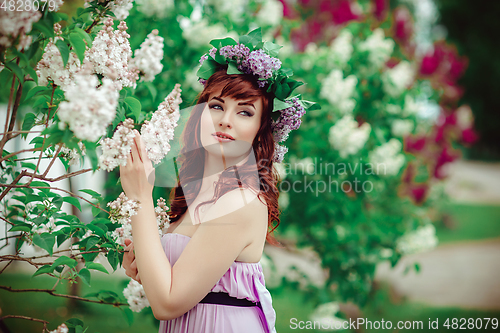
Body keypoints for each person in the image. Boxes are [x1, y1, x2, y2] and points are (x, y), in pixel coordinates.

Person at [119, 28, 316, 333]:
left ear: (260, 130)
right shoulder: (197, 193)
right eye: (216, 106)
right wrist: (144, 261)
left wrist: (140, 198)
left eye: (245, 112)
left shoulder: (241, 201)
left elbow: (167, 303)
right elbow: (175, 284)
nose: (226, 119)